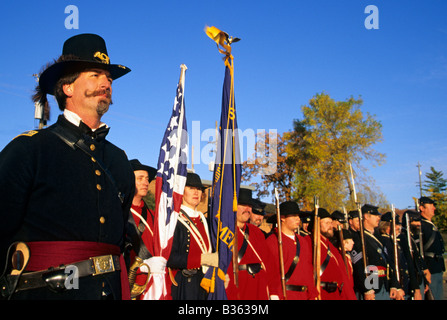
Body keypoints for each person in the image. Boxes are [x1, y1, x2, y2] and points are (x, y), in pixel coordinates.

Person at [0, 33, 134, 300]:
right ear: (68, 88)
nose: (106, 82)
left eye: (108, 77)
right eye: (95, 74)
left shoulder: (119, 160)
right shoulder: (30, 149)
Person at [167, 172, 217, 300]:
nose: (196, 193)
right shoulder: (175, 219)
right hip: (186, 283)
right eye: (191, 188)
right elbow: (170, 257)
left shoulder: (204, 220)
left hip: (205, 281)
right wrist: (202, 260)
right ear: (182, 192)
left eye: (199, 189)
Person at [225, 188, 278, 300]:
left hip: (259, 289)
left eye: (249, 206)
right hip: (237, 289)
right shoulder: (224, 231)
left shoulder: (256, 232)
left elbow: (270, 264)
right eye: (243, 205)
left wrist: (273, 292)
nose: (247, 209)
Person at [266, 201, 318, 300]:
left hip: (304, 296)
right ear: (282, 218)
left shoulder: (303, 241)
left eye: (298, 216)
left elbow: (308, 270)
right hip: (286, 295)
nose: (298, 219)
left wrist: (313, 294)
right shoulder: (272, 241)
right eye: (293, 216)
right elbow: (271, 274)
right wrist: (274, 295)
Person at [350, 204, 403, 300]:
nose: (378, 218)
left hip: (384, 284)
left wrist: (394, 284)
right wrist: (367, 289)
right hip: (371, 286)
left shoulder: (379, 238)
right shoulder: (358, 238)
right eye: (375, 216)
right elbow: (359, 266)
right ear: (366, 216)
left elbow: (388, 263)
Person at [125, 159, 157, 299]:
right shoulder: (119, 211)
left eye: (147, 179)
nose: (146, 183)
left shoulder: (153, 214)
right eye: (140, 178)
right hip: (128, 281)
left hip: (152, 282)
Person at [311, 208, 357, 300]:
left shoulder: (332, 247)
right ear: (316, 224)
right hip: (321, 294)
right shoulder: (308, 242)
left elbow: (343, 277)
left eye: (331, 223)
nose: (330, 226)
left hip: (336, 294)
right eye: (326, 223)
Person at [377, 212, 410, 299]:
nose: (399, 227)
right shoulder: (384, 241)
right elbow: (390, 264)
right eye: (396, 225)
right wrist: (396, 286)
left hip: (401, 283)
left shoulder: (391, 241)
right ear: (388, 226)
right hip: (394, 286)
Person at [418, 196, 445, 300]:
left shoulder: (430, 225)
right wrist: (425, 269)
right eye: (431, 205)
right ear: (422, 208)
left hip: (437, 267)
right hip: (429, 269)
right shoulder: (421, 226)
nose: (434, 208)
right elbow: (418, 250)